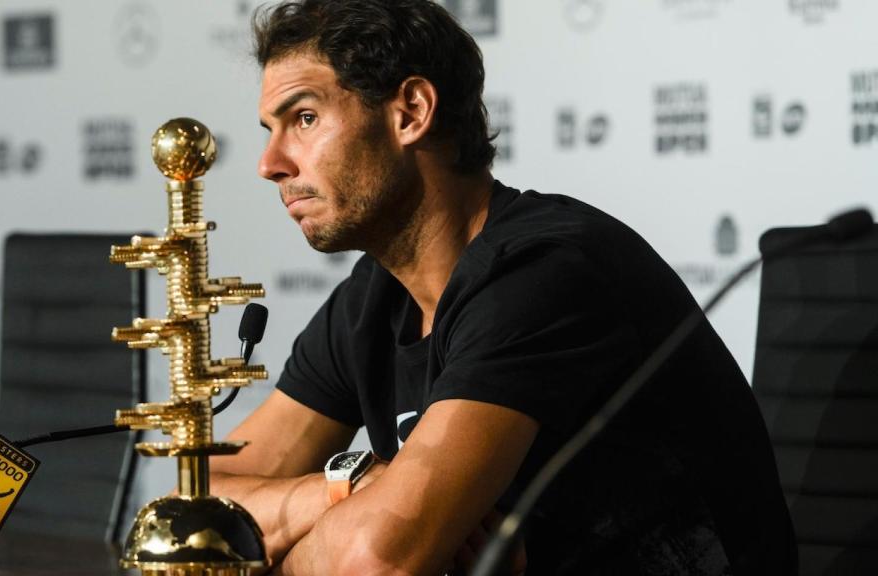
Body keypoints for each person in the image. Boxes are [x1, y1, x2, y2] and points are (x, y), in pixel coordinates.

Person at [209, 1, 797, 574]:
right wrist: (351, 488)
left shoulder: (543, 272)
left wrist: (290, 539)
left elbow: (374, 559)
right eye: (270, 130)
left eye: (304, 118)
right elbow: (196, 509)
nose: (269, 163)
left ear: (410, 112)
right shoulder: (373, 298)